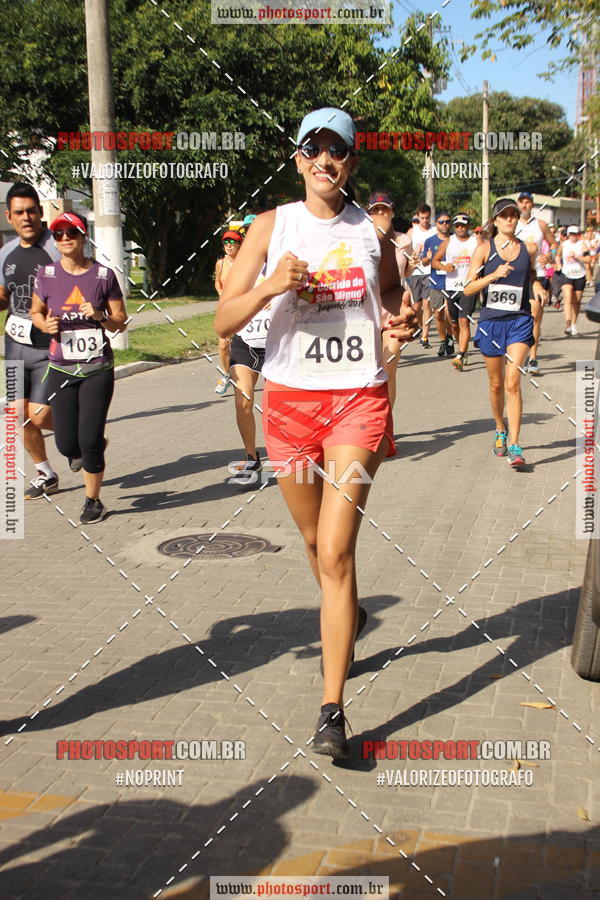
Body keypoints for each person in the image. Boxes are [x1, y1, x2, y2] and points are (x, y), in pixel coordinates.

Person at [215, 107, 416, 760]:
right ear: (298, 159)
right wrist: (271, 284)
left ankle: (332, 710)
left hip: (358, 402)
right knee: (312, 540)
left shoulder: (371, 234)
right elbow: (223, 320)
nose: (326, 160)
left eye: (338, 150)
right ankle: (347, 612)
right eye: (314, 149)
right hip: (291, 409)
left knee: (334, 550)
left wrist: (401, 317)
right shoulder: (271, 227)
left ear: (351, 161)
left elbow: (392, 293)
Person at [30, 213, 127, 523]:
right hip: (61, 369)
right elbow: (35, 311)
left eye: (71, 232)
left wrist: (100, 315)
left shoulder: (103, 275)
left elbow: (120, 321)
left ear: (84, 237)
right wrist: (44, 325)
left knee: (89, 441)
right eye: (58, 234)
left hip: (97, 368)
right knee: (66, 444)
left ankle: (93, 501)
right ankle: (85, 447)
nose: (65, 238)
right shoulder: (46, 274)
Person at [464, 197, 545, 468]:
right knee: (496, 383)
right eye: (504, 215)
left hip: (519, 320)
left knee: (512, 381)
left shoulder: (528, 248)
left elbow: (531, 274)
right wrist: (492, 275)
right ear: (495, 220)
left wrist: (537, 285)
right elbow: (468, 288)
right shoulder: (484, 249)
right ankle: (500, 427)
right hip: (491, 323)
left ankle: (515, 444)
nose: (510, 219)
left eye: (513, 215)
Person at [0, 182, 61, 499]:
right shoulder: (5, 253)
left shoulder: (57, 246)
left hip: (49, 347)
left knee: (38, 413)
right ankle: (45, 474)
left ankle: (82, 434)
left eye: (32, 211)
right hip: (15, 347)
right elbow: (4, 296)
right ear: (9, 216)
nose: (26, 218)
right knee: (16, 414)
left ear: (40, 213)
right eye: (19, 212)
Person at [366, 190, 412, 408]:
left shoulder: (404, 240)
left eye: (384, 209)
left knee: (388, 368)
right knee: (369, 371)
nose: (381, 213)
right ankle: (371, 416)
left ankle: (386, 421)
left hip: (394, 310)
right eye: (375, 210)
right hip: (367, 311)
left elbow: (405, 271)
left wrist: (412, 266)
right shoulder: (361, 241)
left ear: (392, 212)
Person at [515, 191, 556, 374]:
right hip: (515, 277)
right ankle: (519, 354)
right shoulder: (512, 224)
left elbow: (554, 245)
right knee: (517, 318)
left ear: (532, 204)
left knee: (534, 317)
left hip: (537, 275)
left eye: (528, 202)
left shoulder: (540, 224)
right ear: (517, 204)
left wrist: (549, 256)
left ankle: (532, 358)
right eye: (521, 202)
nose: (524, 205)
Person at [433, 213, 478, 371]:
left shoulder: (476, 242)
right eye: (457, 225)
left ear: (468, 226)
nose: (460, 228)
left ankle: (460, 354)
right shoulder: (448, 242)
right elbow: (434, 261)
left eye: (463, 225)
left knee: (464, 320)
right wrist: (445, 267)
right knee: (453, 324)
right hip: (451, 286)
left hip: (468, 287)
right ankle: (461, 349)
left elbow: (484, 259)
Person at [214, 230, 244, 394]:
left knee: (254, 343)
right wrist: (220, 292)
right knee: (223, 344)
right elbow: (217, 282)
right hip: (226, 307)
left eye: (232, 243)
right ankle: (226, 375)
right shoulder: (221, 263)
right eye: (226, 243)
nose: (229, 246)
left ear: (239, 245)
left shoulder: (246, 262)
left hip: (244, 306)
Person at [424, 211, 455, 358]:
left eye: (447, 222)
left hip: (452, 281)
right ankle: (443, 341)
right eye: (441, 222)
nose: (445, 224)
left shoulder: (455, 239)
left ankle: (449, 337)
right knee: (438, 313)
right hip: (436, 282)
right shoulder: (430, 241)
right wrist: (427, 258)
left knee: (449, 313)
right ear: (436, 224)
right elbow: (424, 262)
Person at [406, 203, 436, 348]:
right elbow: (405, 252)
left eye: (427, 218)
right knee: (416, 306)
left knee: (426, 304)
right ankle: (419, 326)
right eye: (422, 218)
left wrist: (432, 255)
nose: (425, 220)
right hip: (415, 273)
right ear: (418, 216)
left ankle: (425, 337)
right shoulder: (412, 232)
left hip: (429, 272)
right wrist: (415, 253)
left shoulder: (434, 231)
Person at [556, 225, 587, 335]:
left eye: (575, 234)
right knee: (568, 297)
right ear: (568, 235)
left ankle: (573, 324)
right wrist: (558, 264)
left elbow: (588, 259)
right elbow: (557, 255)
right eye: (572, 234)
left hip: (580, 274)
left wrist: (577, 257)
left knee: (577, 301)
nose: (574, 236)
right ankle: (568, 324)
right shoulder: (563, 245)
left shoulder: (582, 244)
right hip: (566, 274)